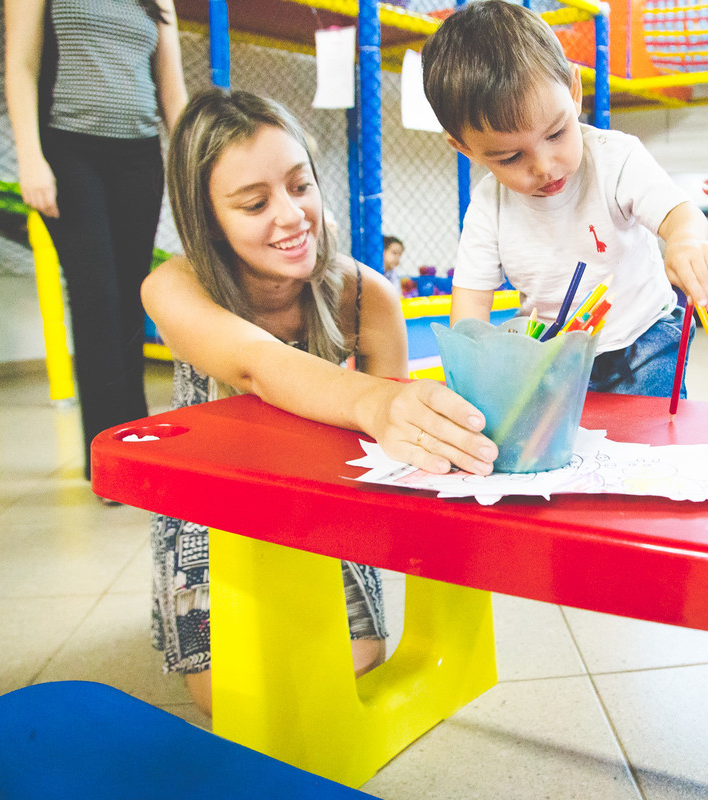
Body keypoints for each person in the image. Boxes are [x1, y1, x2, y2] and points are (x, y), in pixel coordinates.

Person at [142, 88, 498, 716]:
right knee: (231, 695)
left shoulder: (366, 294)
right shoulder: (174, 286)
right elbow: (258, 365)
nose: (290, 216)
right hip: (211, 508)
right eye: (254, 203)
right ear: (207, 218)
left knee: (358, 661)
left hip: (321, 498)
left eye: (300, 186)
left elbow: (398, 468)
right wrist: (374, 402)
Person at [420, 1, 708, 398]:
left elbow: (678, 212)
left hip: (644, 338)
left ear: (573, 90)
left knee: (647, 440)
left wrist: (685, 241)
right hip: (552, 353)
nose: (545, 166)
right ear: (464, 147)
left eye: (555, 134)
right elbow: (470, 306)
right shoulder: (488, 205)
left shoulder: (615, 157)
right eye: (511, 156)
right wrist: (471, 372)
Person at [4, 0, 188, 484]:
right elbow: (21, 66)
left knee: (131, 297)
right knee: (97, 298)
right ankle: (109, 463)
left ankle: (132, 444)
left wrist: (201, 164)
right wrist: (30, 158)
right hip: (70, 150)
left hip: (140, 156)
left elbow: (173, 92)